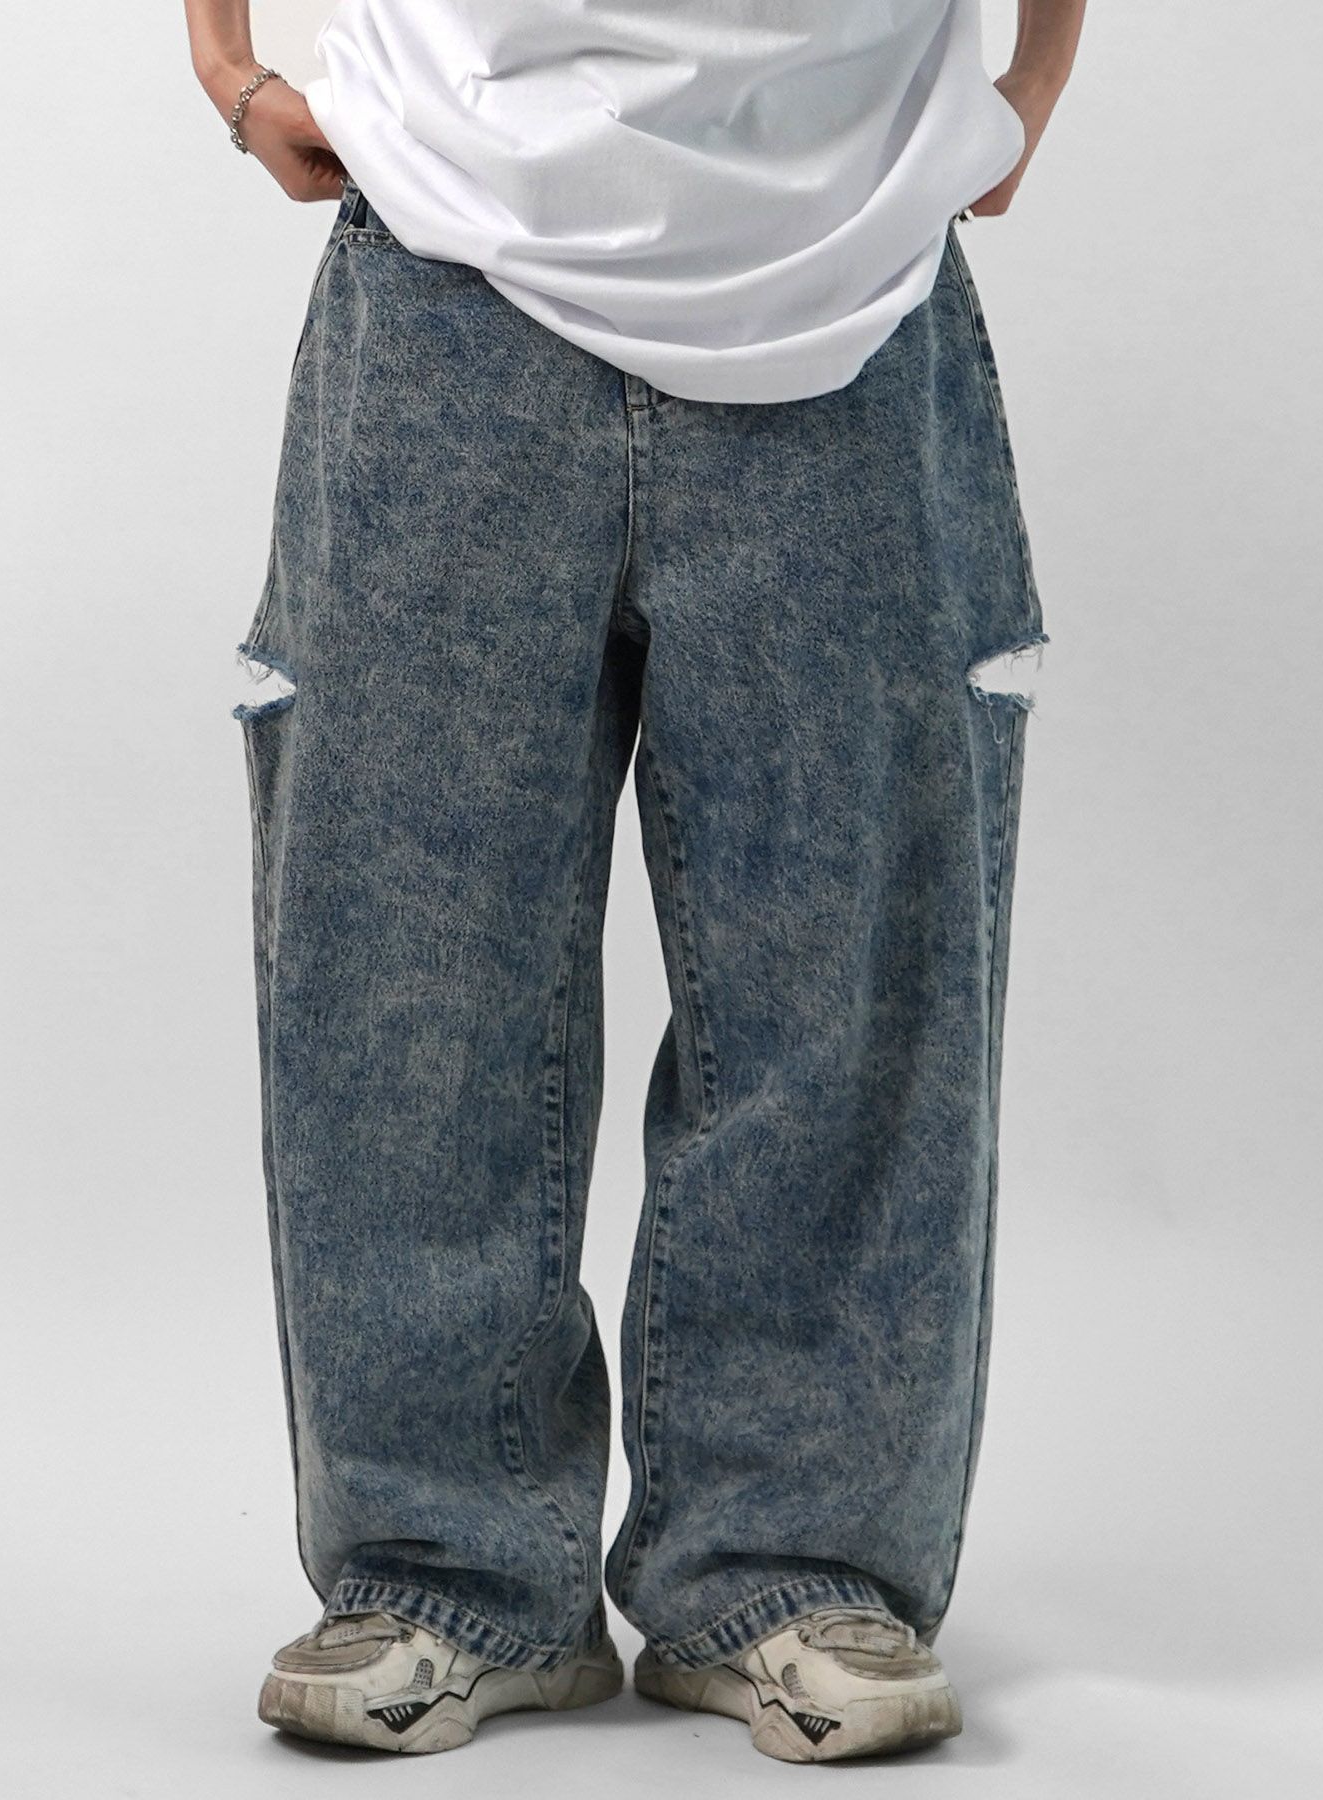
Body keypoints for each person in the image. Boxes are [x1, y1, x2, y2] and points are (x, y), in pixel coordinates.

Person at [184, 0, 1084, 1763]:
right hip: (446, 263)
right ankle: (444, 1570)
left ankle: (796, 1565)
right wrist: (225, 64)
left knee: (848, 973)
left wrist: (1040, 74)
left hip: (854, 275)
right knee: (407, 969)